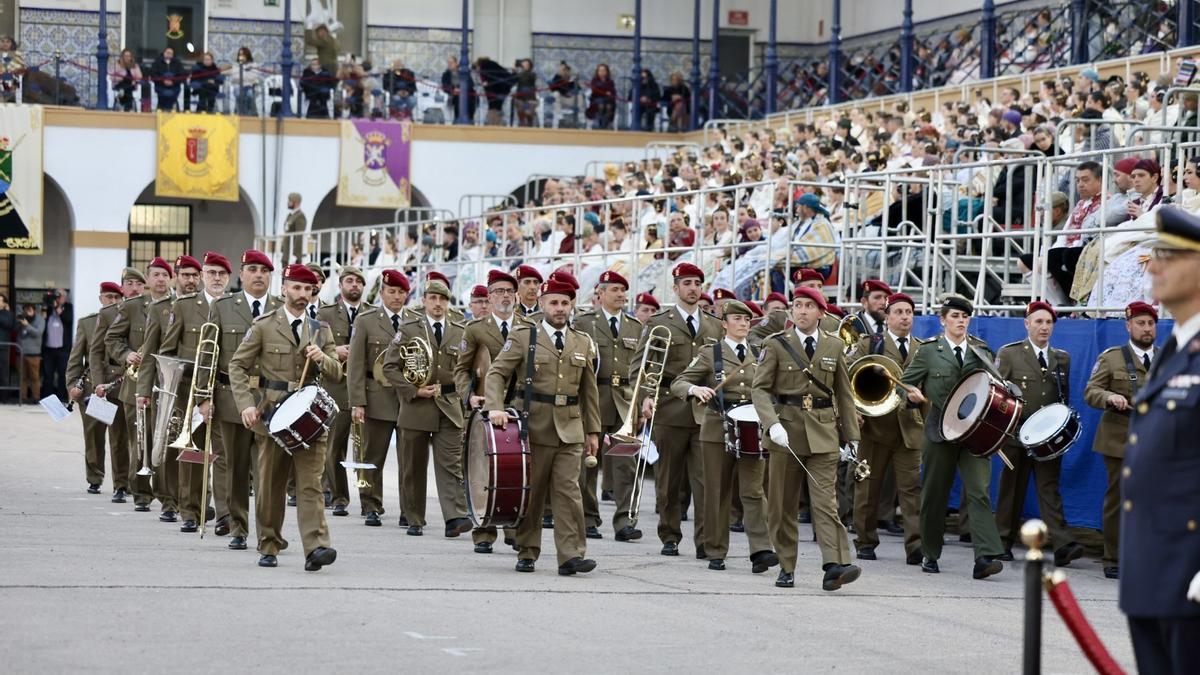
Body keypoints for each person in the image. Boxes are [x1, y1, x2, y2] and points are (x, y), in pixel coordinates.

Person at [1120, 207, 1200, 672]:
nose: (1155, 265)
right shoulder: (1173, 346)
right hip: (1152, 572)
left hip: (1190, 573)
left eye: (1171, 255)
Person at [483, 278, 601, 575]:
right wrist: (495, 407)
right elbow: (496, 373)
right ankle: (527, 549)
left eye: (564, 303)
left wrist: (593, 431)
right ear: (543, 303)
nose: (559, 309)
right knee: (532, 494)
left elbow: (589, 391)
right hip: (532, 426)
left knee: (569, 492)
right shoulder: (525, 336)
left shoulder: (582, 341)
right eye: (553, 302)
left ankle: (571, 555)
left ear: (572, 305)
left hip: (570, 427)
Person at [229, 264, 339, 571]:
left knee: (310, 485)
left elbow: (338, 373)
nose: (303, 294)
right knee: (270, 486)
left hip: (310, 419)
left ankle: (316, 547)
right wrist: (246, 405)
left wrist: (324, 358)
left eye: (308, 289)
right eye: (297, 288)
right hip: (272, 417)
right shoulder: (264, 325)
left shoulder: (320, 329)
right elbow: (238, 366)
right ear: (285, 289)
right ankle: (269, 543)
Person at [751, 286, 861, 590]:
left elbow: (844, 394)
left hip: (824, 433)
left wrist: (851, 436)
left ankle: (835, 565)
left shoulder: (834, 346)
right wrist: (771, 423)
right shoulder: (775, 344)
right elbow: (759, 389)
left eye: (808, 306)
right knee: (782, 505)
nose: (801, 311)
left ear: (820, 313)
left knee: (826, 503)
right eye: (797, 305)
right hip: (785, 431)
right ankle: (786, 565)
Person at [902, 295, 1006, 580]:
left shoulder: (981, 351)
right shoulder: (929, 351)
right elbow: (906, 382)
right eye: (955, 316)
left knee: (979, 491)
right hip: (939, 431)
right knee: (935, 493)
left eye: (965, 317)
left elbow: (994, 385)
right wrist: (911, 395)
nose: (961, 321)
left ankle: (985, 556)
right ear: (943, 320)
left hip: (975, 431)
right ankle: (929, 553)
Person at [672, 300, 779, 574]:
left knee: (753, 490)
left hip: (752, 429)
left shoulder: (760, 352)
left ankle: (761, 550)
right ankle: (716, 549)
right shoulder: (711, 353)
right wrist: (696, 390)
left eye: (747, 320)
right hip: (718, 427)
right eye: (737, 319)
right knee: (717, 490)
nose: (743, 324)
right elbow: (679, 382)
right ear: (724, 323)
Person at [632, 263, 721, 559]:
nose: (693, 288)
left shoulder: (713, 325)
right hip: (669, 407)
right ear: (675, 287)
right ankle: (670, 535)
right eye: (686, 283)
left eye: (697, 282)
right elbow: (640, 367)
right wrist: (645, 396)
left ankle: (705, 541)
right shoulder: (661, 322)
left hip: (704, 411)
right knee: (669, 480)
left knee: (704, 481)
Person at [993, 301, 1083, 565]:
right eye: (1038, 322)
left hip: (1048, 438)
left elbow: (1060, 396)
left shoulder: (1061, 358)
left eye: (1049, 322)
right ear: (1027, 324)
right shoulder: (1010, 354)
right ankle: (1001, 541)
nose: (1044, 327)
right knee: (1012, 489)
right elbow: (998, 393)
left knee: (1049, 489)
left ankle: (1063, 544)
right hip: (1017, 434)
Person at [383, 279, 473, 538]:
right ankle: (414, 517)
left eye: (443, 299)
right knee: (413, 465)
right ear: (424, 301)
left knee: (451, 465)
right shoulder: (410, 328)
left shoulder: (459, 329)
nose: (438, 304)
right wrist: (413, 390)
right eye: (433, 298)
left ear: (448, 302)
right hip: (416, 406)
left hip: (449, 405)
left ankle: (455, 517)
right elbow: (390, 367)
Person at [207, 250, 279, 549]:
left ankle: (268, 532)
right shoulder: (224, 307)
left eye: (264, 270)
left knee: (267, 472)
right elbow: (208, 355)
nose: (259, 275)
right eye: (253, 269)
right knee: (235, 468)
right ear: (242, 273)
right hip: (231, 399)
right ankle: (237, 526)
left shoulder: (280, 307)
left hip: (271, 401)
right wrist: (203, 396)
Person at [849, 292, 925, 565]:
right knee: (867, 487)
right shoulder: (871, 344)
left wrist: (921, 401)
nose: (905, 317)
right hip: (874, 429)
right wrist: (854, 411)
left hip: (909, 430)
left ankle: (916, 545)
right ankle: (865, 540)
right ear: (888, 316)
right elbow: (848, 377)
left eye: (909, 312)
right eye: (899, 312)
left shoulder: (923, 348)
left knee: (912, 490)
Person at [1084, 300, 1158, 580]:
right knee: (1119, 498)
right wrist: (1109, 397)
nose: (1146, 328)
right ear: (1128, 326)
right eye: (1140, 323)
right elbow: (1091, 391)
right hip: (1120, 438)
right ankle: (1113, 557)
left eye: (1150, 323)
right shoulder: (1112, 358)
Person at [159, 253, 230, 533]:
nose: (216, 278)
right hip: (191, 392)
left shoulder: (235, 307)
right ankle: (191, 511)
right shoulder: (185, 306)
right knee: (195, 454)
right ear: (202, 276)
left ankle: (224, 513)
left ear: (229, 277)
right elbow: (167, 353)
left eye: (221, 274)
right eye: (211, 272)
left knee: (225, 456)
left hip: (226, 392)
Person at [455, 269, 523, 553]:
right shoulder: (475, 329)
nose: (504, 296)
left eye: (509, 291)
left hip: (517, 407)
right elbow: (460, 370)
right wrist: (468, 396)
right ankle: (483, 532)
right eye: (498, 292)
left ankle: (516, 528)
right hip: (484, 406)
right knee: (483, 469)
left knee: (518, 469)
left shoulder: (529, 326)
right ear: (489, 296)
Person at [572, 271, 642, 541]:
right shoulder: (584, 323)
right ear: (600, 294)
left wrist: (641, 402)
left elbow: (642, 368)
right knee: (589, 461)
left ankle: (625, 521)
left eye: (623, 290)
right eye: (615, 289)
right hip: (594, 398)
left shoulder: (635, 326)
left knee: (626, 463)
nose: (621, 294)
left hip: (624, 400)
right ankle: (589, 518)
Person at [137, 254, 203, 523]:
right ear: (176, 276)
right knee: (171, 444)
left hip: (199, 388)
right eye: (185, 275)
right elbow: (151, 352)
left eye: (194, 275)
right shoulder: (160, 308)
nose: (190, 280)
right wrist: (143, 390)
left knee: (196, 445)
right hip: (170, 386)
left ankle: (194, 499)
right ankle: (169, 499)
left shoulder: (209, 306)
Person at [105, 258, 174, 512]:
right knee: (140, 441)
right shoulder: (133, 307)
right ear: (149, 279)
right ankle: (142, 493)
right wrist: (126, 355)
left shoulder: (178, 305)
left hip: (167, 383)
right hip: (135, 383)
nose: (160, 279)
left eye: (165, 275)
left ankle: (168, 494)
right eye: (156, 275)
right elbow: (111, 338)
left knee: (165, 440)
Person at [352, 270, 410, 527]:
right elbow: (355, 364)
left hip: (408, 398)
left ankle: (410, 508)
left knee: (409, 458)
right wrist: (358, 401)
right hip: (376, 396)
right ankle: (370, 503)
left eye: (401, 292)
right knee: (371, 456)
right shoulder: (366, 320)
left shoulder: (415, 320)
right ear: (382, 292)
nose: (396, 297)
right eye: (392, 291)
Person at [318, 266, 366, 518]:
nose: (354, 285)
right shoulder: (324, 313)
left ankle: (370, 501)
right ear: (341, 285)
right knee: (334, 446)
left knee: (365, 447)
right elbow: (312, 347)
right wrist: (334, 351)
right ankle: (338, 497)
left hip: (364, 389)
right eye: (349, 281)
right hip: (334, 386)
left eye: (359, 281)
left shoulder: (372, 313)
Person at [67, 282, 123, 494]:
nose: (113, 301)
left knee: (121, 439)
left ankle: (122, 482)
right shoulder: (87, 323)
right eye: (109, 297)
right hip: (92, 388)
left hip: (119, 386)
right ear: (101, 299)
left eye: (117, 298)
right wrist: (72, 385)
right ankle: (94, 477)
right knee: (93, 436)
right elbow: (75, 359)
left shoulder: (126, 321)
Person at [1048, 161, 1104, 301]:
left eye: (1085, 180)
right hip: (1069, 248)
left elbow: (1089, 234)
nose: (1080, 184)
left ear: (1100, 180)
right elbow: (1065, 232)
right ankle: (1060, 304)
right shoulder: (1080, 204)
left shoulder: (1106, 202)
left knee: (1064, 255)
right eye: (1077, 180)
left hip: (1087, 248)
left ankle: (1076, 302)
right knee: (1039, 258)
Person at [474, 56, 512, 126]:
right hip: (505, 87)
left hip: (497, 89)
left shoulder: (484, 66)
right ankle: (499, 123)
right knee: (498, 106)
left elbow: (486, 82)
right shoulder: (492, 64)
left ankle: (493, 124)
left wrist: (486, 86)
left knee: (493, 106)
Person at [17, 303, 43, 401]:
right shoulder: (22, 319)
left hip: (34, 354)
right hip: (21, 352)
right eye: (26, 310)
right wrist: (20, 320)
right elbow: (15, 329)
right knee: (22, 377)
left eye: (30, 310)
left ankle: (36, 397)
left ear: (34, 310)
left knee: (34, 378)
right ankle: (22, 397)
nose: (28, 312)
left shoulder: (40, 320)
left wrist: (27, 325)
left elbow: (38, 333)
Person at [441, 55, 476, 122]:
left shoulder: (464, 72)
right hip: (454, 95)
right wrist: (453, 90)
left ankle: (470, 120)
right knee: (458, 99)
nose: (449, 65)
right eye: (448, 63)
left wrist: (462, 90)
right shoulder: (446, 74)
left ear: (456, 63)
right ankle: (457, 120)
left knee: (470, 99)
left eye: (451, 63)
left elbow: (471, 84)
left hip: (467, 94)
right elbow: (445, 86)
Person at [227, 47, 260, 116]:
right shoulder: (235, 65)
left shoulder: (253, 65)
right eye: (240, 54)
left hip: (249, 86)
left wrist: (242, 76)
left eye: (243, 54)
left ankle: (248, 114)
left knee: (249, 95)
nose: (241, 56)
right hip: (237, 86)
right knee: (239, 95)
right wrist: (245, 76)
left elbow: (253, 76)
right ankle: (242, 114)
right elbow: (234, 76)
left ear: (247, 55)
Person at [150, 47, 185, 111]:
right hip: (160, 85)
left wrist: (173, 82)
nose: (169, 54)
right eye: (167, 53)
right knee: (163, 95)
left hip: (174, 86)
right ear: (164, 53)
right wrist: (163, 81)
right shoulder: (157, 62)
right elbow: (153, 74)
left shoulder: (178, 63)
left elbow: (181, 75)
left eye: (171, 53)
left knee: (172, 94)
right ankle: (163, 109)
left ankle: (169, 109)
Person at [587, 64, 616, 130]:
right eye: (600, 70)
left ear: (607, 72)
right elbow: (595, 90)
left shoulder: (610, 82)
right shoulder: (594, 80)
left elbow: (613, 92)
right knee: (601, 105)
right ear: (597, 72)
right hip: (596, 99)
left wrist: (609, 93)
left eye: (603, 70)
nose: (602, 72)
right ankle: (597, 122)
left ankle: (607, 123)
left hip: (608, 100)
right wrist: (605, 91)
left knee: (609, 106)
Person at [0, 35, 25, 103]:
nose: (5, 44)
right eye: (3, 41)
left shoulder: (17, 54)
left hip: (12, 81)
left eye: (8, 42)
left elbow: (22, 68)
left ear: (12, 43)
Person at [513, 58, 538, 127]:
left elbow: (532, 78)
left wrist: (524, 71)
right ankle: (522, 127)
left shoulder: (532, 74)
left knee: (528, 113)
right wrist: (514, 71)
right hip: (520, 98)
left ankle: (530, 126)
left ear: (529, 65)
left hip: (529, 99)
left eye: (526, 64)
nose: (524, 65)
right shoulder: (519, 74)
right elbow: (513, 80)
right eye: (523, 63)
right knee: (521, 114)